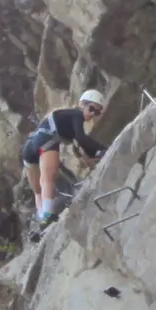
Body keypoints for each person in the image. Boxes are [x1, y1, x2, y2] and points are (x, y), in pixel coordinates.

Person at [22, 90, 109, 227]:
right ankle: (47, 215)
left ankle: (42, 220)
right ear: (82, 104)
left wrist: (92, 155)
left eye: (96, 113)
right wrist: (102, 150)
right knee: (47, 179)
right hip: (46, 141)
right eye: (91, 108)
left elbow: (80, 144)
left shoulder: (63, 117)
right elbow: (81, 138)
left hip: (30, 147)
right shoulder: (76, 114)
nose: (92, 114)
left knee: (38, 190)